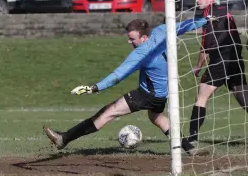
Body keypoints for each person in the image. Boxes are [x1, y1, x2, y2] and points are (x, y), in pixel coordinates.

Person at [44, 17, 212, 155]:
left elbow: (118, 75)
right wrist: (205, 20)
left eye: (132, 39)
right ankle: (189, 148)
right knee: (157, 118)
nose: (129, 41)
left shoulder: (141, 53)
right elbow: (184, 26)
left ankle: (63, 139)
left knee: (107, 113)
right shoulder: (162, 31)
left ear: (144, 38)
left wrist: (94, 88)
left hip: (147, 95)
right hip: (162, 96)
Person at [188, 0, 248, 148]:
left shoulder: (210, 13)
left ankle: (192, 138)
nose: (197, 0)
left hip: (221, 58)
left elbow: (207, 45)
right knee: (243, 97)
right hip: (235, 58)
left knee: (201, 96)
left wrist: (198, 66)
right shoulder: (224, 10)